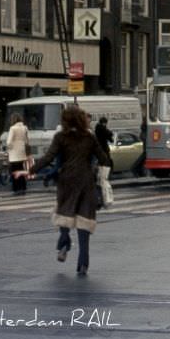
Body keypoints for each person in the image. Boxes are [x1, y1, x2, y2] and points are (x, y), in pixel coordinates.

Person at [26, 106, 111, 276]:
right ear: (81, 120)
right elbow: (104, 159)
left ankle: (64, 243)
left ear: (65, 121)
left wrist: (33, 169)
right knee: (84, 221)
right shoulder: (89, 138)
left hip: (67, 181)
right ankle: (83, 263)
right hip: (86, 182)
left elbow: (49, 157)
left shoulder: (60, 137)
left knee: (65, 215)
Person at [6, 113, 30, 195]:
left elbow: (9, 142)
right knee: (21, 169)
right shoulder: (25, 128)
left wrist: (9, 148)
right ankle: (23, 187)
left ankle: (16, 189)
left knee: (14, 171)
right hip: (22, 152)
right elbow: (27, 141)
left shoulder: (12, 128)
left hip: (14, 153)